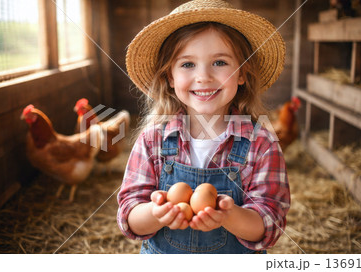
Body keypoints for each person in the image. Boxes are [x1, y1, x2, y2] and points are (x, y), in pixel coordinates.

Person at [117, 0, 290, 254]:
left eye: (220, 62)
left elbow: (270, 223)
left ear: (242, 73)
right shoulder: (153, 139)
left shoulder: (261, 143)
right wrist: (156, 213)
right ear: (170, 77)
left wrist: (229, 216)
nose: (204, 77)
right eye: (188, 64)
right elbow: (129, 215)